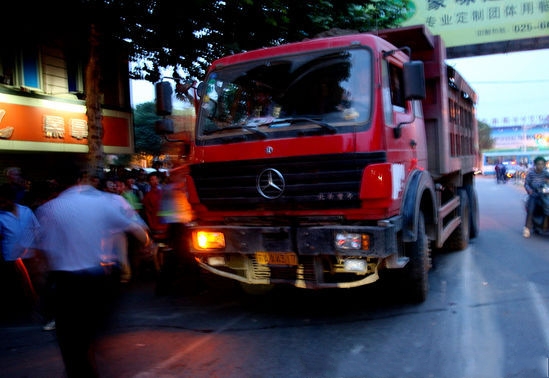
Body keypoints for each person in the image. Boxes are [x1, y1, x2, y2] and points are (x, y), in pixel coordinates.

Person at [35, 165, 150, 378]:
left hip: (64, 283)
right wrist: (146, 243)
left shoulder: (48, 209)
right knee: (91, 333)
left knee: (71, 343)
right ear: (82, 178)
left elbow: (40, 252)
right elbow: (137, 230)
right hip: (95, 280)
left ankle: (81, 369)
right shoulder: (101, 203)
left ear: (55, 183)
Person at [0, 183, 42, 321]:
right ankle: (16, 314)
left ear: (11, 199)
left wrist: (32, 246)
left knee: (31, 284)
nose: (2, 203)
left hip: (29, 255)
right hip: (10, 258)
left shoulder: (26, 211)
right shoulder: (1, 215)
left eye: (4, 200)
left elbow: (36, 228)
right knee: (15, 287)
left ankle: (31, 311)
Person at [523, 156, 549, 238]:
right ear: (535, 165)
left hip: (545, 195)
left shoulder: (546, 173)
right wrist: (529, 190)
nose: (540, 166)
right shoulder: (531, 173)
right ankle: (527, 228)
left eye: (542, 164)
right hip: (534, 195)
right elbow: (526, 184)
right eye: (539, 164)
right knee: (531, 209)